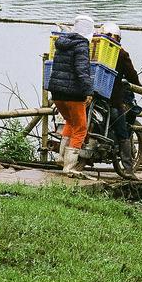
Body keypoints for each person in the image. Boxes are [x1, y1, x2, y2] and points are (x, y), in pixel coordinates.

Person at [48, 15, 95, 175]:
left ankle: (61, 158)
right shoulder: (81, 45)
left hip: (56, 92)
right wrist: (88, 91)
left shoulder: (62, 43)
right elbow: (82, 70)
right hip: (73, 94)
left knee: (70, 121)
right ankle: (69, 167)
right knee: (81, 128)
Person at [99, 23, 142, 179]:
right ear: (117, 37)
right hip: (113, 99)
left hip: (95, 96)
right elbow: (131, 75)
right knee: (123, 132)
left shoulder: (97, 50)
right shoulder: (121, 54)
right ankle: (129, 169)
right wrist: (138, 82)